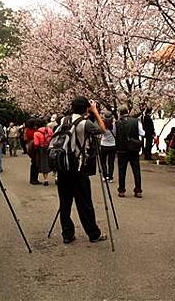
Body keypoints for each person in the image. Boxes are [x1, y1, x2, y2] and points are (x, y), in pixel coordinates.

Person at [56, 96, 108, 244]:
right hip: (78, 168)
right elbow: (103, 130)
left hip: (63, 166)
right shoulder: (85, 123)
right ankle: (93, 234)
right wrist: (95, 111)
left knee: (65, 202)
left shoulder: (64, 120)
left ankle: (67, 234)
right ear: (86, 108)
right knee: (84, 202)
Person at [115, 105, 145, 198]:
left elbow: (115, 133)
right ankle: (138, 190)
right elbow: (142, 133)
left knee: (122, 170)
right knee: (136, 169)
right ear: (128, 111)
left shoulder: (117, 123)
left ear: (120, 113)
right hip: (133, 149)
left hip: (122, 150)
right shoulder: (136, 121)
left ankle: (122, 190)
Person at [33, 119, 54, 185]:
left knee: (44, 163)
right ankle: (56, 177)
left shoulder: (36, 133)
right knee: (52, 162)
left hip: (42, 149)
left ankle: (46, 180)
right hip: (50, 147)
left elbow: (36, 143)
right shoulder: (50, 130)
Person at [99, 111, 116, 182]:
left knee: (103, 162)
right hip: (112, 145)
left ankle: (105, 176)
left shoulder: (102, 124)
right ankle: (110, 177)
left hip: (104, 144)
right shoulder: (114, 124)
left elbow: (100, 133)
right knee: (111, 162)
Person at [25, 118, 40, 184]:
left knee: (34, 163)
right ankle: (33, 179)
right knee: (34, 164)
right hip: (33, 148)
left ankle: (34, 179)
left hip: (30, 148)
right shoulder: (33, 131)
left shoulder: (28, 130)